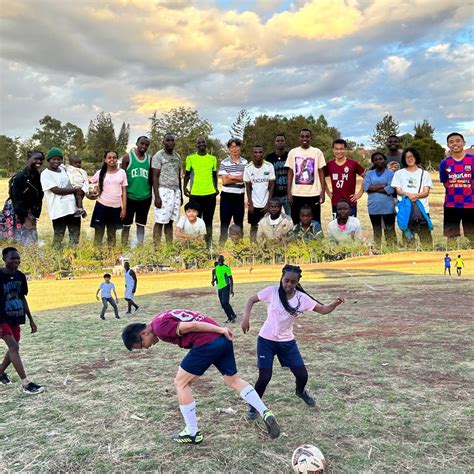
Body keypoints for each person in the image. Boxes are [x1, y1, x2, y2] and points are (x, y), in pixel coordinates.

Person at [121, 309, 280, 444]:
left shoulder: (160, 328)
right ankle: (265, 411)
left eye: (141, 345)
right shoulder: (160, 318)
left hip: (209, 341)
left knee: (181, 383)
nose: (146, 348)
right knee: (233, 380)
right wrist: (219, 331)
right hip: (221, 341)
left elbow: (193, 325)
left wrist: (221, 329)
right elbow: (196, 316)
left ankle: (192, 432)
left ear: (144, 333)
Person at [242, 264, 344, 420]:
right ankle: (254, 406)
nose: (288, 284)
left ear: (297, 282)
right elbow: (251, 300)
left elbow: (323, 310)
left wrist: (335, 304)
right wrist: (246, 318)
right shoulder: (272, 291)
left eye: (292, 282)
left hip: (287, 342)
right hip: (266, 341)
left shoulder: (301, 298)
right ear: (282, 278)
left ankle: (300, 392)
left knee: (302, 375)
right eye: (286, 280)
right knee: (265, 376)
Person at [0, 247, 44, 394]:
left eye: (18, 258)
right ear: (4, 259)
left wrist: (31, 319)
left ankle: (0, 372)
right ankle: (26, 383)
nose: (16, 261)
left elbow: (22, 298)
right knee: (14, 347)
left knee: (14, 348)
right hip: (2, 318)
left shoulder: (20, 276)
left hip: (16, 317)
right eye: (12, 258)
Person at [391, 147, 433, 249]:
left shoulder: (424, 173)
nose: (409, 159)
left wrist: (416, 195)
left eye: (411, 156)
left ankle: (428, 260)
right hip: (406, 209)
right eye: (407, 157)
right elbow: (398, 190)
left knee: (426, 238)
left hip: (422, 209)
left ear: (416, 157)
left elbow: (426, 192)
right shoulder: (399, 173)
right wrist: (408, 195)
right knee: (408, 239)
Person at [40, 147, 82, 247]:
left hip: (72, 208)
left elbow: (75, 173)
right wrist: (75, 190)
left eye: (59, 159)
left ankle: (73, 254)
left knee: (75, 234)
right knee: (59, 234)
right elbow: (56, 190)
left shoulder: (63, 169)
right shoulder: (45, 174)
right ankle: (56, 255)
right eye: (53, 159)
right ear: (48, 160)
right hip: (59, 210)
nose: (56, 161)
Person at [285, 129, 326, 225]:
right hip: (296, 193)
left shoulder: (317, 152)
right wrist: (289, 192)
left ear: (310, 138)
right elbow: (290, 172)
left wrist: (322, 192)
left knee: (315, 220)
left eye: (307, 136)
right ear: (299, 137)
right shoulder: (293, 152)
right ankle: (297, 239)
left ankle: (315, 239)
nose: (305, 138)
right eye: (302, 136)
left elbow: (321, 172)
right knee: (296, 219)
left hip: (313, 193)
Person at [439, 133, 474, 244]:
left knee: (472, 237)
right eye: (451, 141)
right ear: (448, 145)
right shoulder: (444, 163)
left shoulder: (472, 160)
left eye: (458, 141)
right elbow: (445, 182)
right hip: (451, 205)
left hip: (470, 204)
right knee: (451, 238)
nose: (455, 144)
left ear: (464, 143)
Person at [4, 150, 44, 244]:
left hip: (30, 211)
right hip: (18, 211)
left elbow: (39, 195)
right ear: (28, 159)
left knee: (32, 239)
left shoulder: (37, 176)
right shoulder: (19, 177)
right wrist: (25, 218)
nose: (39, 161)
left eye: (41, 159)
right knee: (21, 240)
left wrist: (35, 214)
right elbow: (17, 200)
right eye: (36, 159)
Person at [184, 137, 219, 245]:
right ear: (196, 145)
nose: (201, 144)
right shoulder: (190, 158)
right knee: (194, 221)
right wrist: (184, 187)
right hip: (195, 195)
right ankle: (195, 243)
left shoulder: (212, 159)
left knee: (208, 221)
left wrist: (216, 188)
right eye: (199, 142)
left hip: (210, 194)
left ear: (206, 144)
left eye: (203, 142)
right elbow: (187, 175)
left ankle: (209, 243)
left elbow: (214, 176)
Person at [90, 151, 128, 246]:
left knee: (112, 234)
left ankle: (111, 255)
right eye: (109, 157)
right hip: (101, 207)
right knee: (99, 233)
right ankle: (97, 255)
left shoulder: (122, 172)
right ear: (105, 160)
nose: (112, 159)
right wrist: (94, 190)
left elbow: (124, 191)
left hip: (115, 208)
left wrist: (124, 209)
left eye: (114, 157)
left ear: (117, 159)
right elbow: (89, 183)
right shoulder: (100, 173)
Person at [121, 136, 152, 245]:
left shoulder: (149, 159)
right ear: (137, 143)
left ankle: (140, 246)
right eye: (142, 143)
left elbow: (152, 178)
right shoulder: (127, 158)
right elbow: (121, 177)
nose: (144, 146)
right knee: (126, 225)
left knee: (141, 225)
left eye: (146, 145)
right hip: (130, 197)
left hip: (145, 197)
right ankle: (123, 246)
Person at [152, 134, 182, 245]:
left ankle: (169, 247)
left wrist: (181, 194)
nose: (170, 142)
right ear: (163, 142)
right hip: (163, 190)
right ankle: (157, 248)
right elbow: (154, 177)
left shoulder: (177, 156)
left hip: (175, 191)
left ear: (174, 142)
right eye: (167, 140)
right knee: (160, 221)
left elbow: (178, 175)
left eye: (172, 140)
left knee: (170, 221)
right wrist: (157, 196)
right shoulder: (158, 156)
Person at [363, 152, 397, 247]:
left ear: (384, 160)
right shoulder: (369, 173)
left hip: (388, 207)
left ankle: (391, 250)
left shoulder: (390, 173)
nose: (378, 161)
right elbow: (366, 187)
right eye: (376, 159)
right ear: (373, 161)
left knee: (390, 229)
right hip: (373, 207)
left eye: (380, 159)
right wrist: (383, 185)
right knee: (376, 230)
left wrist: (373, 188)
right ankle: (377, 250)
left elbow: (390, 189)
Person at [325, 139, 365, 217]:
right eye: (336, 149)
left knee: (351, 227)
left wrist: (360, 193)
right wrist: (328, 193)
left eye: (341, 149)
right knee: (338, 227)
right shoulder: (329, 164)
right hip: (336, 203)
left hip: (350, 203)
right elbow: (321, 178)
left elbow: (366, 177)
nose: (339, 151)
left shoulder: (353, 164)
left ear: (345, 149)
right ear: (333, 149)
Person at [219, 138, 248, 244]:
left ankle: (239, 249)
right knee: (224, 224)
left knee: (239, 224)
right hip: (226, 197)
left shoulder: (245, 162)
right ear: (229, 148)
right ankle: (221, 248)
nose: (234, 149)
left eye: (236, 146)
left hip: (239, 196)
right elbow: (225, 181)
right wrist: (239, 177)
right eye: (232, 147)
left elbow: (245, 178)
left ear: (240, 148)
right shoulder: (224, 162)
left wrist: (231, 176)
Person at [244, 145, 275, 242]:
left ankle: (266, 249)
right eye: (256, 152)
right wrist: (251, 204)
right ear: (252, 154)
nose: (258, 154)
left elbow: (272, 186)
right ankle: (253, 247)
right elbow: (248, 187)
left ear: (263, 153)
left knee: (268, 227)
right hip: (254, 204)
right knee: (254, 227)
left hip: (266, 203)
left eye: (260, 152)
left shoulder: (269, 166)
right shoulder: (248, 168)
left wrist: (268, 204)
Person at [266, 134, 291, 215]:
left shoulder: (289, 156)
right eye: (278, 141)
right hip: (274, 194)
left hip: (287, 194)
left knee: (290, 219)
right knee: (274, 217)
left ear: (285, 142)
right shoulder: (269, 158)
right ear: (275, 143)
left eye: (282, 141)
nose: (280, 142)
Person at [211, 255, 237, 323]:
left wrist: (231, 289)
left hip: (226, 287)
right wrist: (213, 280)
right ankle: (232, 316)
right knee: (223, 304)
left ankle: (231, 317)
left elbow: (231, 279)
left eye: (221, 260)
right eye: (218, 260)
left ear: (223, 260)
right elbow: (217, 277)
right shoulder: (216, 268)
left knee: (225, 302)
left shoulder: (226, 268)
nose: (219, 261)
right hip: (219, 288)